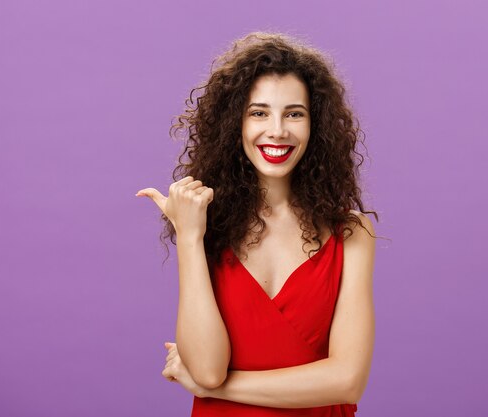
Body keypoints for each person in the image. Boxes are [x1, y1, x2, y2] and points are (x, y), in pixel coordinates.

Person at [136, 31, 380, 416]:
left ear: (316, 125)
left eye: (294, 114)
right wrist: (188, 236)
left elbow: (348, 381)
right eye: (259, 112)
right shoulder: (205, 226)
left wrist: (213, 387)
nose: (278, 130)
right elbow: (207, 368)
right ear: (235, 123)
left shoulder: (352, 233)